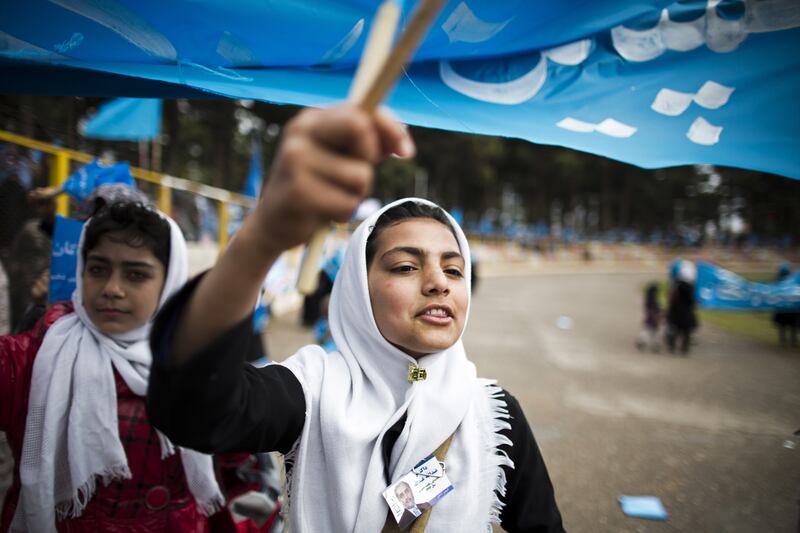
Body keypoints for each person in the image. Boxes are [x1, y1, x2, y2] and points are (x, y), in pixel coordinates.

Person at [147, 104, 564, 532]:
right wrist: (262, 237)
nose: (439, 283)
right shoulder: (311, 391)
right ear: (357, 290)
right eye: (406, 266)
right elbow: (192, 411)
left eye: (455, 270)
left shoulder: (492, 416)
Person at [0, 201, 226, 532]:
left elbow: (237, 472)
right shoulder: (38, 355)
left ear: (170, 281)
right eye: (97, 270)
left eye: (136, 275)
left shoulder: (201, 363)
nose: (112, 289)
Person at [665, 260, 697, 355]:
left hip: (675, 311)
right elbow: (691, 301)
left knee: (674, 329)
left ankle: (672, 346)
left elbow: (671, 297)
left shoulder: (676, 284)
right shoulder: (690, 288)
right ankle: (684, 349)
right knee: (686, 331)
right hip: (686, 313)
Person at [636, 283, 661, 353]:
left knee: (646, 330)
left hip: (648, 317)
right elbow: (656, 308)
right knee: (655, 332)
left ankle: (642, 341)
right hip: (653, 317)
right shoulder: (654, 299)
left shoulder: (648, 299)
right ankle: (656, 345)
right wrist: (659, 312)